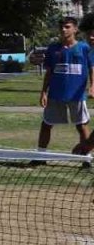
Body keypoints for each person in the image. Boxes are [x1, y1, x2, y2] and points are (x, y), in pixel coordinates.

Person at [34, 17, 94, 162]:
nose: (63, 30)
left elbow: (92, 68)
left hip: (77, 95)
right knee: (46, 124)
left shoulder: (84, 48)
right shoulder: (53, 48)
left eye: (67, 27)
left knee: (81, 125)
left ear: (75, 29)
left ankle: (86, 158)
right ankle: (40, 156)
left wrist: (93, 86)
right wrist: (44, 92)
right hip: (55, 94)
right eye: (61, 27)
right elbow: (49, 72)